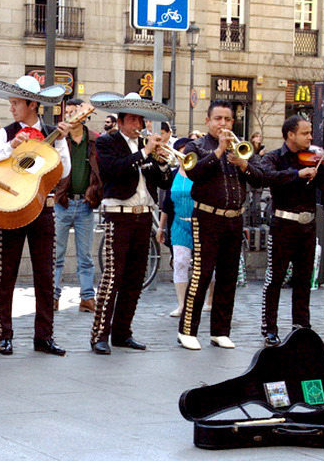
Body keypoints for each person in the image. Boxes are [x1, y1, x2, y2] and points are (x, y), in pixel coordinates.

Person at [0, 75, 70, 356]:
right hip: (11, 208)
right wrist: (11, 147)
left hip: (43, 209)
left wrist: (61, 143)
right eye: (11, 102)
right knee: (6, 273)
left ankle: (44, 336)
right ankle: (3, 335)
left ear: (33, 104)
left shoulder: (50, 132)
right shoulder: (6, 132)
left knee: (45, 275)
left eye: (16, 102)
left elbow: (64, 170)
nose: (12, 108)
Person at [259, 115, 324, 347]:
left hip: (307, 226)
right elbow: (267, 177)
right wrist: (297, 174)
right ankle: (269, 329)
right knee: (275, 278)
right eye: (305, 133)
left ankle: (301, 326)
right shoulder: (274, 158)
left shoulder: (315, 160)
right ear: (290, 135)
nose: (310, 138)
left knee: (303, 279)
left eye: (310, 133)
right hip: (282, 224)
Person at [89, 93, 173, 355]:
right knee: (113, 276)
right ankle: (99, 335)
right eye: (134, 118)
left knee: (135, 278)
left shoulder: (144, 146)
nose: (139, 123)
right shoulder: (107, 143)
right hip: (118, 213)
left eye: (141, 118)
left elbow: (163, 183)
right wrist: (145, 152)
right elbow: (114, 170)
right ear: (122, 120)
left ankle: (123, 332)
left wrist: (159, 163)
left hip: (143, 214)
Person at [177, 101, 264, 351]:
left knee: (228, 275)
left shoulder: (242, 148)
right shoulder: (197, 146)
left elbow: (259, 178)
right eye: (218, 119)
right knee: (202, 274)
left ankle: (220, 331)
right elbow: (195, 173)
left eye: (227, 119)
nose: (223, 124)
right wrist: (218, 153)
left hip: (235, 218)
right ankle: (187, 331)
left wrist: (243, 164)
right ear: (208, 121)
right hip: (207, 217)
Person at [53, 98, 101, 313]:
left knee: (86, 256)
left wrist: (95, 193)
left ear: (84, 115)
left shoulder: (94, 140)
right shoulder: (59, 139)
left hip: (85, 202)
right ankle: (53, 296)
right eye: (68, 112)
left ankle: (87, 297)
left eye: (75, 112)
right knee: (56, 253)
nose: (70, 116)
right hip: (63, 201)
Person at [157, 138, 213, 317]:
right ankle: (181, 304)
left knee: (205, 265)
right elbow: (166, 203)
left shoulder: (202, 173)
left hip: (201, 223)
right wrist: (161, 227)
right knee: (180, 262)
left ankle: (209, 299)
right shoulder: (174, 175)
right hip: (179, 223)